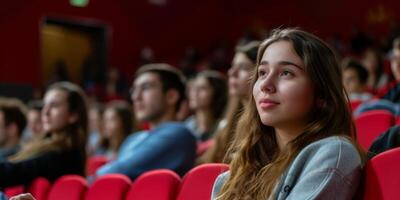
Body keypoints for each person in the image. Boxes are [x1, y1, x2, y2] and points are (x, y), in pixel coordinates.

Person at [212, 28, 364, 199]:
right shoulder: (235, 175)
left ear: (321, 94)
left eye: (286, 73)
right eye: (262, 73)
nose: (265, 84)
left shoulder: (334, 152)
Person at [96, 63, 196, 179]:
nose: (136, 97)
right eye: (134, 90)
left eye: (145, 87)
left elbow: (119, 171)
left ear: (171, 96)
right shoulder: (131, 139)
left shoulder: (179, 134)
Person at [0, 82, 88, 188]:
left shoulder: (65, 154)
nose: (45, 112)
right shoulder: (46, 147)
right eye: (44, 105)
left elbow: (13, 172)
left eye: (54, 105)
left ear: (73, 115)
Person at [197, 40, 260, 164]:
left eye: (243, 67)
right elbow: (207, 161)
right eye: (232, 66)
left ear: (261, 73)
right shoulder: (227, 121)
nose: (232, 73)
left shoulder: (267, 123)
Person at [185, 70, 227, 141]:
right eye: (193, 88)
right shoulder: (187, 126)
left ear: (217, 93)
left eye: (202, 88)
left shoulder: (224, 126)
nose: (194, 93)